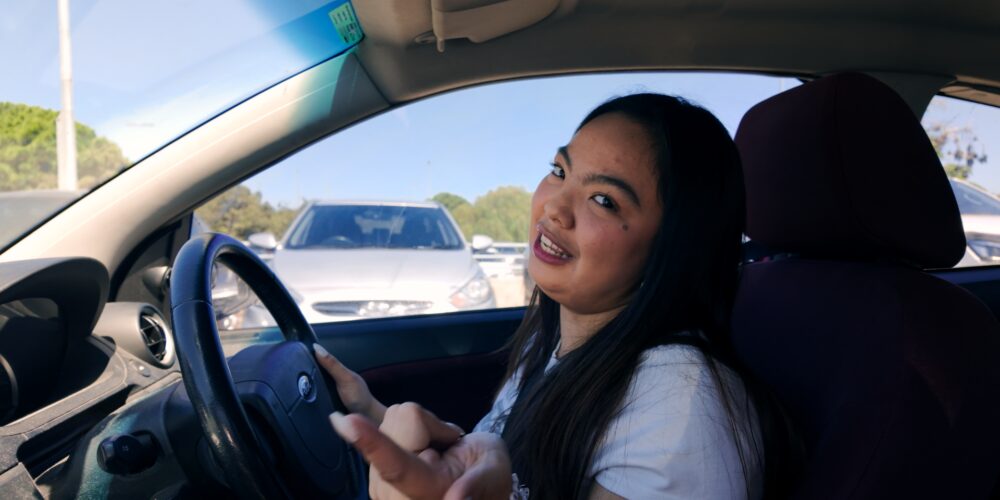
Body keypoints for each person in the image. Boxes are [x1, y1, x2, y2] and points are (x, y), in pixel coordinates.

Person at [316, 93, 777, 499]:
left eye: (604, 200)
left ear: (674, 249)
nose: (553, 206)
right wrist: (371, 414)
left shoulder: (679, 402)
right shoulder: (553, 340)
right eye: (560, 171)